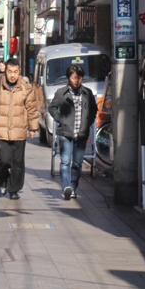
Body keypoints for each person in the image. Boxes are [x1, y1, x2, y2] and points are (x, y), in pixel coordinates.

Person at [0, 55, 39, 200]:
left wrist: (32, 128)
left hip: (19, 130)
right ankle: (3, 178)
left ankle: (13, 189)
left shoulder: (25, 87)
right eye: (10, 72)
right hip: (2, 129)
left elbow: (32, 108)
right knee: (4, 160)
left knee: (17, 163)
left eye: (15, 72)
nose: (12, 75)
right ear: (5, 71)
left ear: (19, 71)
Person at [48, 63, 97, 200]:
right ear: (69, 77)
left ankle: (73, 187)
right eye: (74, 77)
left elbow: (94, 110)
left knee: (77, 164)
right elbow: (51, 107)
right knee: (65, 162)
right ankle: (66, 187)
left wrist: (88, 123)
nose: (77, 80)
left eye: (79, 77)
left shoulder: (87, 93)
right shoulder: (61, 93)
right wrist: (61, 119)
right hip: (65, 133)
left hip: (81, 134)